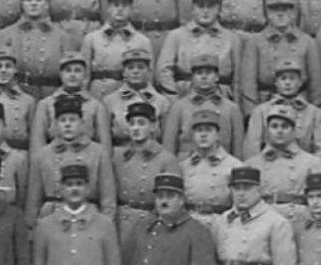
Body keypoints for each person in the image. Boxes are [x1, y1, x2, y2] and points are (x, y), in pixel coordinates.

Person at [24, 94, 116, 223]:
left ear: (82, 123)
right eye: (63, 120)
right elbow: (33, 198)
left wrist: (105, 225)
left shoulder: (98, 153)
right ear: (55, 124)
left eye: (72, 120)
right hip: (51, 217)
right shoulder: (43, 154)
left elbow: (108, 198)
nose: (67, 125)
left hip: (88, 217)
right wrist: (31, 225)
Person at [242, 105, 321, 229]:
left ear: (294, 131)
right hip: (262, 222)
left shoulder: (312, 163)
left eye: (285, 126)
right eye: (274, 126)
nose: (279, 131)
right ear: (267, 130)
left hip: (299, 221)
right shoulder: (252, 164)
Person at [156, 0, 246, 99]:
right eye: (201, 6)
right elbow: (164, 70)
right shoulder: (177, 35)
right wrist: (174, 96)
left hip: (221, 96)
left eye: (211, 6)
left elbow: (238, 78)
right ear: (193, 9)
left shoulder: (231, 38)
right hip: (185, 94)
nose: (205, 11)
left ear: (219, 9)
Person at [111, 101, 181, 241]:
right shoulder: (118, 157)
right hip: (122, 224)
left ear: (153, 126)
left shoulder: (166, 159)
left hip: (151, 223)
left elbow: (172, 203)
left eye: (141, 123)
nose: (136, 128)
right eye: (132, 124)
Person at [241, 57, 321, 162]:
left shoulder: (313, 113)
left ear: (300, 82)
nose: (287, 83)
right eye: (283, 78)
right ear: (276, 83)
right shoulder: (260, 111)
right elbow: (252, 148)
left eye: (292, 78)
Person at [0, 0, 70, 100]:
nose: (33, 3)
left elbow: (69, 70)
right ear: (22, 4)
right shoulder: (7, 34)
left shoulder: (62, 35)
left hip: (51, 95)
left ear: (47, 4)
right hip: (17, 95)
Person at [162, 55, 247, 159]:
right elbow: (169, 145)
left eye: (208, 73)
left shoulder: (231, 108)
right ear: (192, 78)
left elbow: (238, 147)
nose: (204, 77)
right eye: (199, 73)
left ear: (217, 77)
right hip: (186, 163)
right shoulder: (179, 107)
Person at [250, 0, 321, 107]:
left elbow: (316, 85)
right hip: (265, 103)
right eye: (274, 10)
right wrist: (251, 114)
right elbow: (248, 85)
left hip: (300, 105)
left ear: (294, 12)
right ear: (267, 13)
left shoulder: (307, 42)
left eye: (285, 10)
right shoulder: (256, 42)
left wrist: (313, 111)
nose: (280, 14)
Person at [28, 53, 110, 153]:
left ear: (85, 75)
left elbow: (104, 146)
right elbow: (37, 144)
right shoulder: (45, 104)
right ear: (60, 74)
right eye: (68, 70)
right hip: (54, 160)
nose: (72, 74)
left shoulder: (96, 106)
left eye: (77, 70)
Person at [177, 107, 244, 230]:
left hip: (220, 225)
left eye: (208, 130)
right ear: (193, 135)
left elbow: (240, 203)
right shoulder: (183, 166)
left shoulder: (234, 166)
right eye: (199, 130)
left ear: (217, 134)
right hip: (189, 224)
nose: (203, 134)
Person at [101, 44, 175, 147]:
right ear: (124, 72)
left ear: (149, 72)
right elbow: (104, 138)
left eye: (141, 67)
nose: (135, 71)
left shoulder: (162, 102)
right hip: (120, 153)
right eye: (130, 68)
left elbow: (167, 138)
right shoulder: (110, 101)